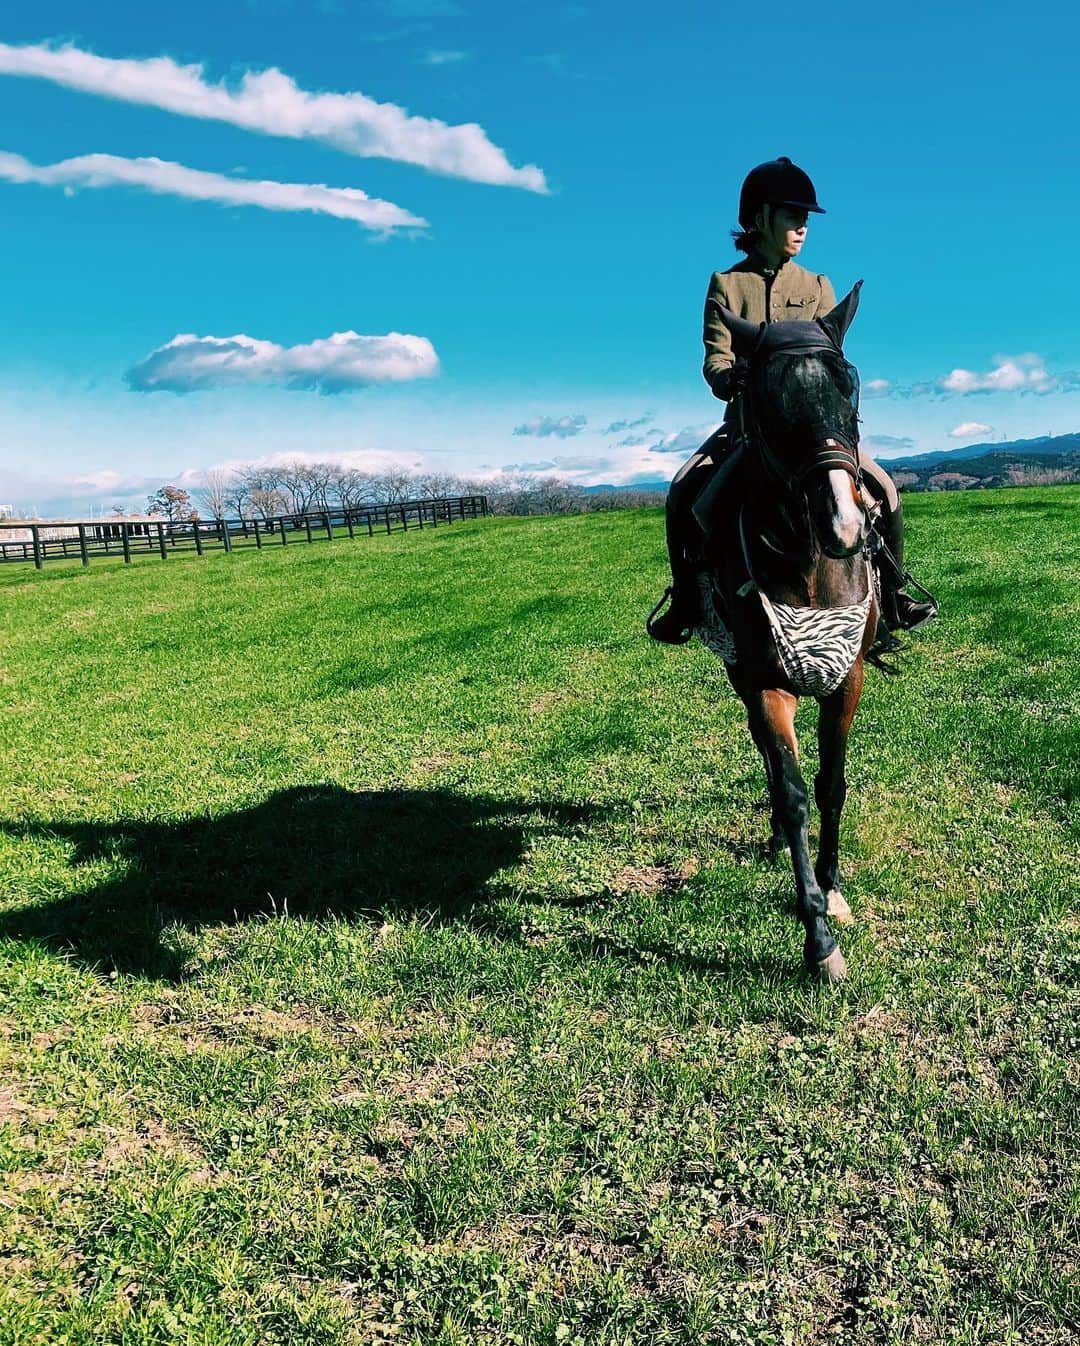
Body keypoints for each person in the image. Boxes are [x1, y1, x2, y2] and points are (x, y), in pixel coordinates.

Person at [647, 156, 937, 645]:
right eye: (792, 216)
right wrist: (731, 377)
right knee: (681, 492)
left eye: (806, 219)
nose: (802, 227)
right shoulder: (726, 285)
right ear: (759, 219)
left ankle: (891, 600)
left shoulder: (818, 286)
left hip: (814, 429)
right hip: (749, 425)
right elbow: (714, 358)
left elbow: (828, 357)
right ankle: (687, 602)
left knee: (886, 490)